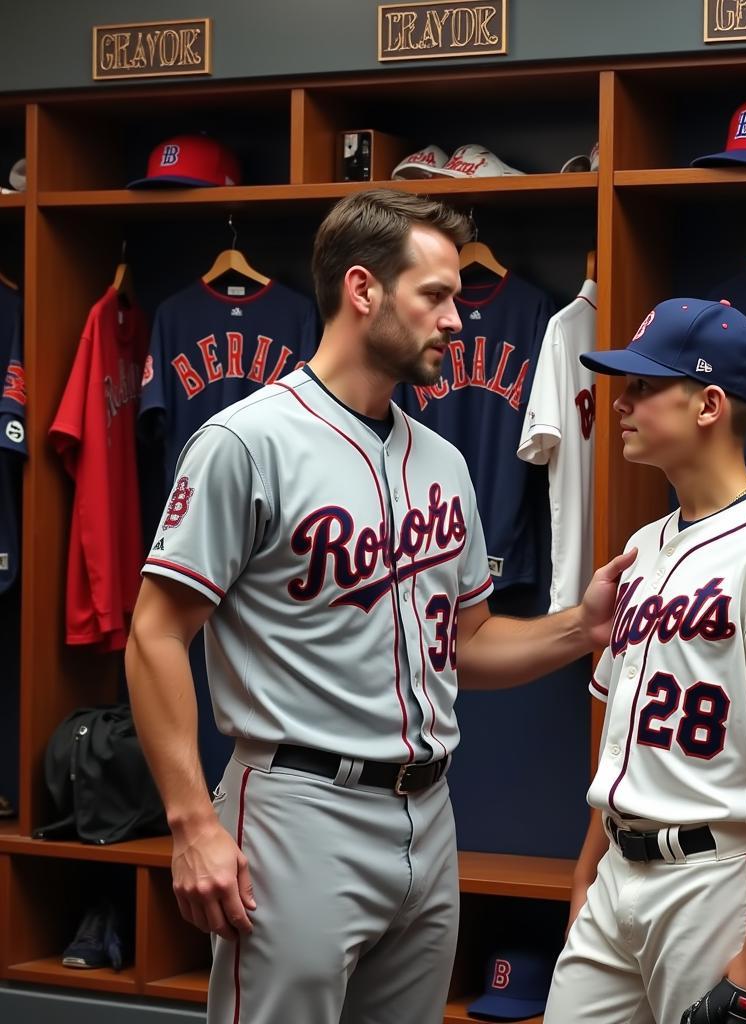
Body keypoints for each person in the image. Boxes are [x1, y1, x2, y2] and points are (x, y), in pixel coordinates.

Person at [124, 189, 634, 1024]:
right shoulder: (245, 443)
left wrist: (580, 627)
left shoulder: (443, 461)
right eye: (435, 295)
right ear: (363, 290)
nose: (457, 321)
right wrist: (190, 824)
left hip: (428, 811)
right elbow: (154, 634)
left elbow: (465, 641)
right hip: (298, 807)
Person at [543, 298, 746, 1024]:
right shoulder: (643, 548)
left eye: (646, 386)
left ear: (709, 404)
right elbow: (623, 736)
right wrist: (589, 874)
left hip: (719, 880)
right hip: (620, 872)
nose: (624, 401)